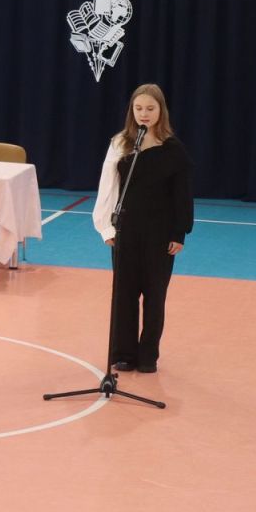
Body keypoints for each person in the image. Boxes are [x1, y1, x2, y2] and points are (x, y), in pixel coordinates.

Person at [92, 83, 194, 374]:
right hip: (126, 229)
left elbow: (182, 194)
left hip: (159, 233)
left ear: (161, 110)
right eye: (138, 108)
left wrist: (179, 232)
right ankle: (123, 353)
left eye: (150, 108)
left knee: (154, 295)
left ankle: (148, 355)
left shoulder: (173, 149)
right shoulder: (122, 143)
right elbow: (108, 186)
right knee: (124, 293)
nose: (144, 114)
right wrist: (106, 228)